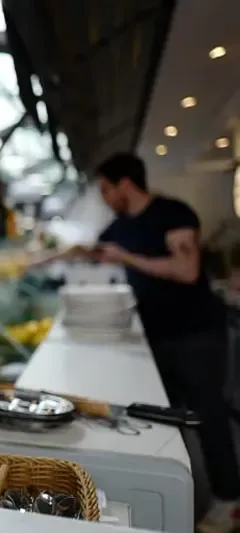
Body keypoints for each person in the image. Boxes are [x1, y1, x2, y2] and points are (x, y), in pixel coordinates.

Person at [92, 152, 239, 533]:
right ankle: (174, 493)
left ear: (125, 183)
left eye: (106, 189)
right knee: (169, 419)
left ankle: (230, 500)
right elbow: (92, 250)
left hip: (195, 333)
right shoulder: (120, 225)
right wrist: (40, 259)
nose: (105, 197)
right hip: (154, 337)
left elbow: (187, 271)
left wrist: (128, 258)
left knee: (208, 415)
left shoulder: (173, 214)